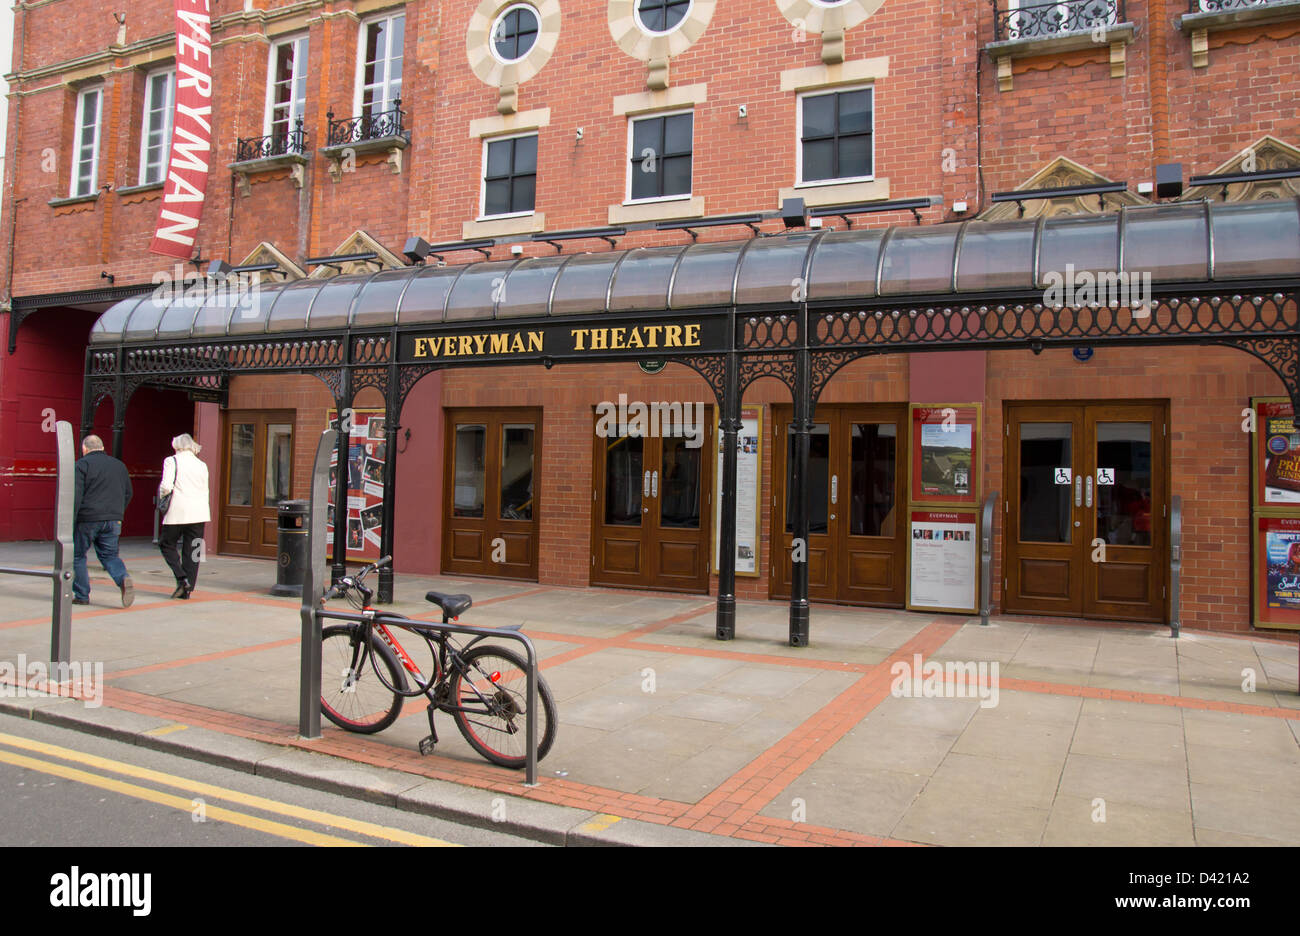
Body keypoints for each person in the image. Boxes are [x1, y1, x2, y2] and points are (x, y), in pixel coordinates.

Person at [72, 435, 134, 607]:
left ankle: (82, 595)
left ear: (84, 448)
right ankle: (123, 578)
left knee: (77, 555)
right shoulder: (119, 465)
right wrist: (117, 512)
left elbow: (76, 495)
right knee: (109, 555)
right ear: (102, 446)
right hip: (114, 519)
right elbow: (128, 492)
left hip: (88, 518)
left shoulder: (82, 465)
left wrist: (72, 518)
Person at [158, 433, 211, 599]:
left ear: (176, 446)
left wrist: (162, 496)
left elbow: (166, 486)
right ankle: (188, 588)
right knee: (194, 550)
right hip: (200, 512)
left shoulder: (171, 461)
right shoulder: (202, 464)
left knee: (166, 544)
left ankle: (181, 578)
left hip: (178, 510)